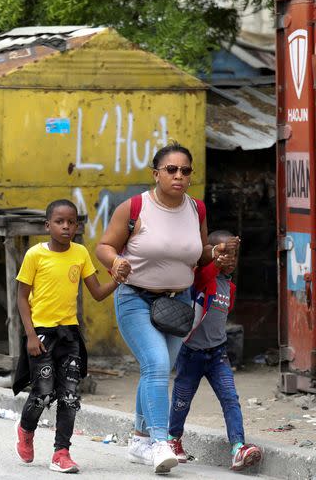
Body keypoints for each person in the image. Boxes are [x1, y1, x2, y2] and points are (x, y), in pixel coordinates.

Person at [95, 143, 238, 474]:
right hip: (135, 298)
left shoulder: (196, 209)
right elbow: (104, 246)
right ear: (156, 173)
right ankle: (160, 441)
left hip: (179, 303)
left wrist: (215, 252)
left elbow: (197, 254)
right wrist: (116, 261)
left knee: (155, 370)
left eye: (185, 170)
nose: (178, 175)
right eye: (171, 169)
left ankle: (138, 439)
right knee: (157, 365)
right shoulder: (134, 208)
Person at [13, 199, 118, 473]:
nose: (66, 227)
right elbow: (22, 298)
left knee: (70, 396)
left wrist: (118, 279)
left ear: (77, 226)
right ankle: (26, 429)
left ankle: (61, 452)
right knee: (43, 393)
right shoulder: (35, 255)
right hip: (42, 334)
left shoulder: (81, 253)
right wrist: (30, 336)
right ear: (48, 225)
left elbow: (96, 293)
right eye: (59, 222)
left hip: (69, 335)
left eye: (71, 222)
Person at [168, 230, 262, 471]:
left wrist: (227, 255)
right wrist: (215, 259)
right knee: (181, 401)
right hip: (191, 354)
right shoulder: (201, 276)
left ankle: (238, 448)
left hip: (218, 353)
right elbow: (207, 270)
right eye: (222, 254)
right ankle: (173, 441)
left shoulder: (229, 287)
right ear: (210, 255)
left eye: (233, 255)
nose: (228, 259)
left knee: (230, 399)